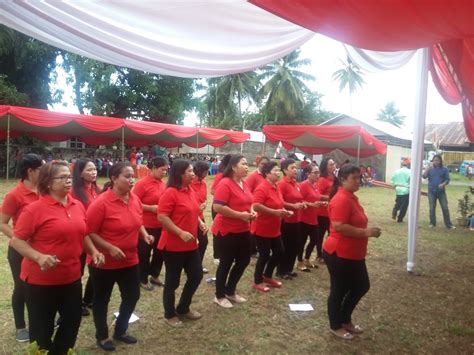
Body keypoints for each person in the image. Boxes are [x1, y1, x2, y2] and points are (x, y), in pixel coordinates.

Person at [11, 161, 103, 354]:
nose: (68, 181)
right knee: (41, 329)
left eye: (69, 177)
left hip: (71, 277)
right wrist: (38, 257)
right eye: (62, 177)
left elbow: (83, 233)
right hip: (40, 281)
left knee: (71, 322)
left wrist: (94, 251)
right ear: (48, 182)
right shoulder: (34, 209)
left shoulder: (77, 205)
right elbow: (16, 241)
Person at [86, 162, 154, 351]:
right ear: (114, 179)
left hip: (129, 258)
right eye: (127, 176)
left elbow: (138, 220)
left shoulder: (134, 199)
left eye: (133, 176)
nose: (132, 180)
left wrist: (144, 233)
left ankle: (120, 330)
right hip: (104, 262)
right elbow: (89, 232)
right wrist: (109, 247)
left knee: (132, 295)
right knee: (102, 299)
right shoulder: (100, 203)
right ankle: (102, 335)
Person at [322, 164, 382, 340]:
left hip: (353, 253)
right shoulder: (341, 199)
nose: (359, 181)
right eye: (354, 178)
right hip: (340, 253)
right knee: (339, 290)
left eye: (359, 177)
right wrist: (366, 232)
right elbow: (338, 226)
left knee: (361, 285)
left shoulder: (350, 197)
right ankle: (335, 325)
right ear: (342, 179)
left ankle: (345, 319)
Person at [158, 159, 206, 327]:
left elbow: (194, 210)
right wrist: (179, 232)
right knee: (173, 281)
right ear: (180, 174)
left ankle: (183, 308)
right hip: (173, 245)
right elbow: (162, 217)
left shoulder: (190, 189)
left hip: (190, 244)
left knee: (196, 275)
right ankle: (169, 314)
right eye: (190, 171)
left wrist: (200, 222)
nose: (193, 174)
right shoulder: (170, 192)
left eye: (193, 171)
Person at [0, 154, 43, 342]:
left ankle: (43, 318)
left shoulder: (45, 189)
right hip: (19, 250)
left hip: (41, 248)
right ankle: (20, 326)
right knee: (22, 287)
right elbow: (2, 223)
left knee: (42, 286)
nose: (45, 172)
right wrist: (18, 239)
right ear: (30, 171)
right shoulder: (15, 195)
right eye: (41, 169)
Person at [212, 154, 255, 308]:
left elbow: (250, 201)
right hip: (227, 230)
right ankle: (219, 295)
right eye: (243, 164)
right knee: (226, 263)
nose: (247, 166)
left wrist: (251, 211)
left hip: (243, 229)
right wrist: (240, 215)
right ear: (233, 167)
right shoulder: (225, 183)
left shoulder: (244, 183)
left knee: (244, 260)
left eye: (247, 163)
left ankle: (230, 291)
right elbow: (217, 207)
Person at [251, 161, 292, 292]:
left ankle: (267, 276)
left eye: (278, 170)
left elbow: (279, 203)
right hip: (262, 228)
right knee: (264, 255)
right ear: (267, 173)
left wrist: (285, 211)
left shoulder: (276, 186)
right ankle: (257, 281)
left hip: (274, 228)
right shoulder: (262, 187)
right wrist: (274, 212)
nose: (278, 173)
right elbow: (256, 205)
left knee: (280, 251)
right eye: (275, 170)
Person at [71, 158, 102, 316]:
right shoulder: (75, 193)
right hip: (81, 238)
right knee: (79, 271)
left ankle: (88, 299)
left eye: (95, 169)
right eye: (89, 170)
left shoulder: (97, 189)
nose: (94, 172)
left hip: (96, 237)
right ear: (80, 173)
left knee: (96, 268)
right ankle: (76, 304)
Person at [132, 156, 168, 290]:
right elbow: (134, 203)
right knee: (144, 253)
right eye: (162, 169)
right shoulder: (142, 184)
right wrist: (150, 208)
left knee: (160, 252)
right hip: (146, 225)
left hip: (161, 224)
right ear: (152, 169)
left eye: (166, 170)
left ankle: (154, 275)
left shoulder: (162, 183)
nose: (164, 172)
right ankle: (142, 278)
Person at [276, 158, 307, 280]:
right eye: (292, 168)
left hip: (297, 219)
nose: (295, 170)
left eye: (296, 167)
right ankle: (281, 270)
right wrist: (293, 206)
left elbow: (299, 198)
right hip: (286, 220)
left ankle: (289, 269)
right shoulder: (282, 184)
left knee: (295, 245)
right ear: (284, 170)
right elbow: (279, 201)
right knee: (286, 245)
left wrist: (303, 203)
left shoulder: (295, 183)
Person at [298, 164, 327, 270]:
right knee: (302, 241)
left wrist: (321, 203)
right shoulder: (303, 185)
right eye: (315, 173)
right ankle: (299, 261)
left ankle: (307, 259)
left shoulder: (315, 186)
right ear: (308, 174)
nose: (317, 175)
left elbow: (315, 198)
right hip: (304, 218)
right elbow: (299, 200)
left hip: (313, 218)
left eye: (318, 172)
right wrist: (311, 204)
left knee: (315, 239)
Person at [422, 154, 456, 229]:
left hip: (441, 192)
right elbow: (424, 176)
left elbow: (447, 180)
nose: (436, 162)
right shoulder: (430, 169)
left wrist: (443, 184)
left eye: (437, 160)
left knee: (445, 208)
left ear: (440, 161)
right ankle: (432, 223)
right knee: (432, 208)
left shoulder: (444, 169)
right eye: (434, 160)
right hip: (431, 191)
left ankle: (449, 224)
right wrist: (427, 169)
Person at [190, 160, 210, 273]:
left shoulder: (203, 184)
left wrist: (205, 204)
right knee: (190, 243)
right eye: (205, 172)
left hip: (200, 217)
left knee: (203, 241)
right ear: (199, 172)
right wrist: (197, 207)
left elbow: (205, 199)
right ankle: (189, 266)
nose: (207, 174)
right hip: (190, 217)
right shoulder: (189, 184)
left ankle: (197, 264)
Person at [316, 157, 336, 264]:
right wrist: (330, 198)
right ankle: (319, 255)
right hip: (322, 212)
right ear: (325, 167)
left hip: (332, 212)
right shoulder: (322, 180)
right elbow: (317, 195)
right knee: (320, 235)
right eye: (331, 164)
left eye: (333, 164)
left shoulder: (334, 178)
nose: (333, 166)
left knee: (332, 234)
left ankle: (329, 253)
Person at [391, 158, 411, 223]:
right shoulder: (410, 172)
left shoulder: (396, 171)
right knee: (404, 206)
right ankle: (400, 219)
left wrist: (394, 185)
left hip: (398, 190)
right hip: (406, 191)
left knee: (398, 203)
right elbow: (411, 182)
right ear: (408, 164)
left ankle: (395, 211)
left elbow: (392, 180)